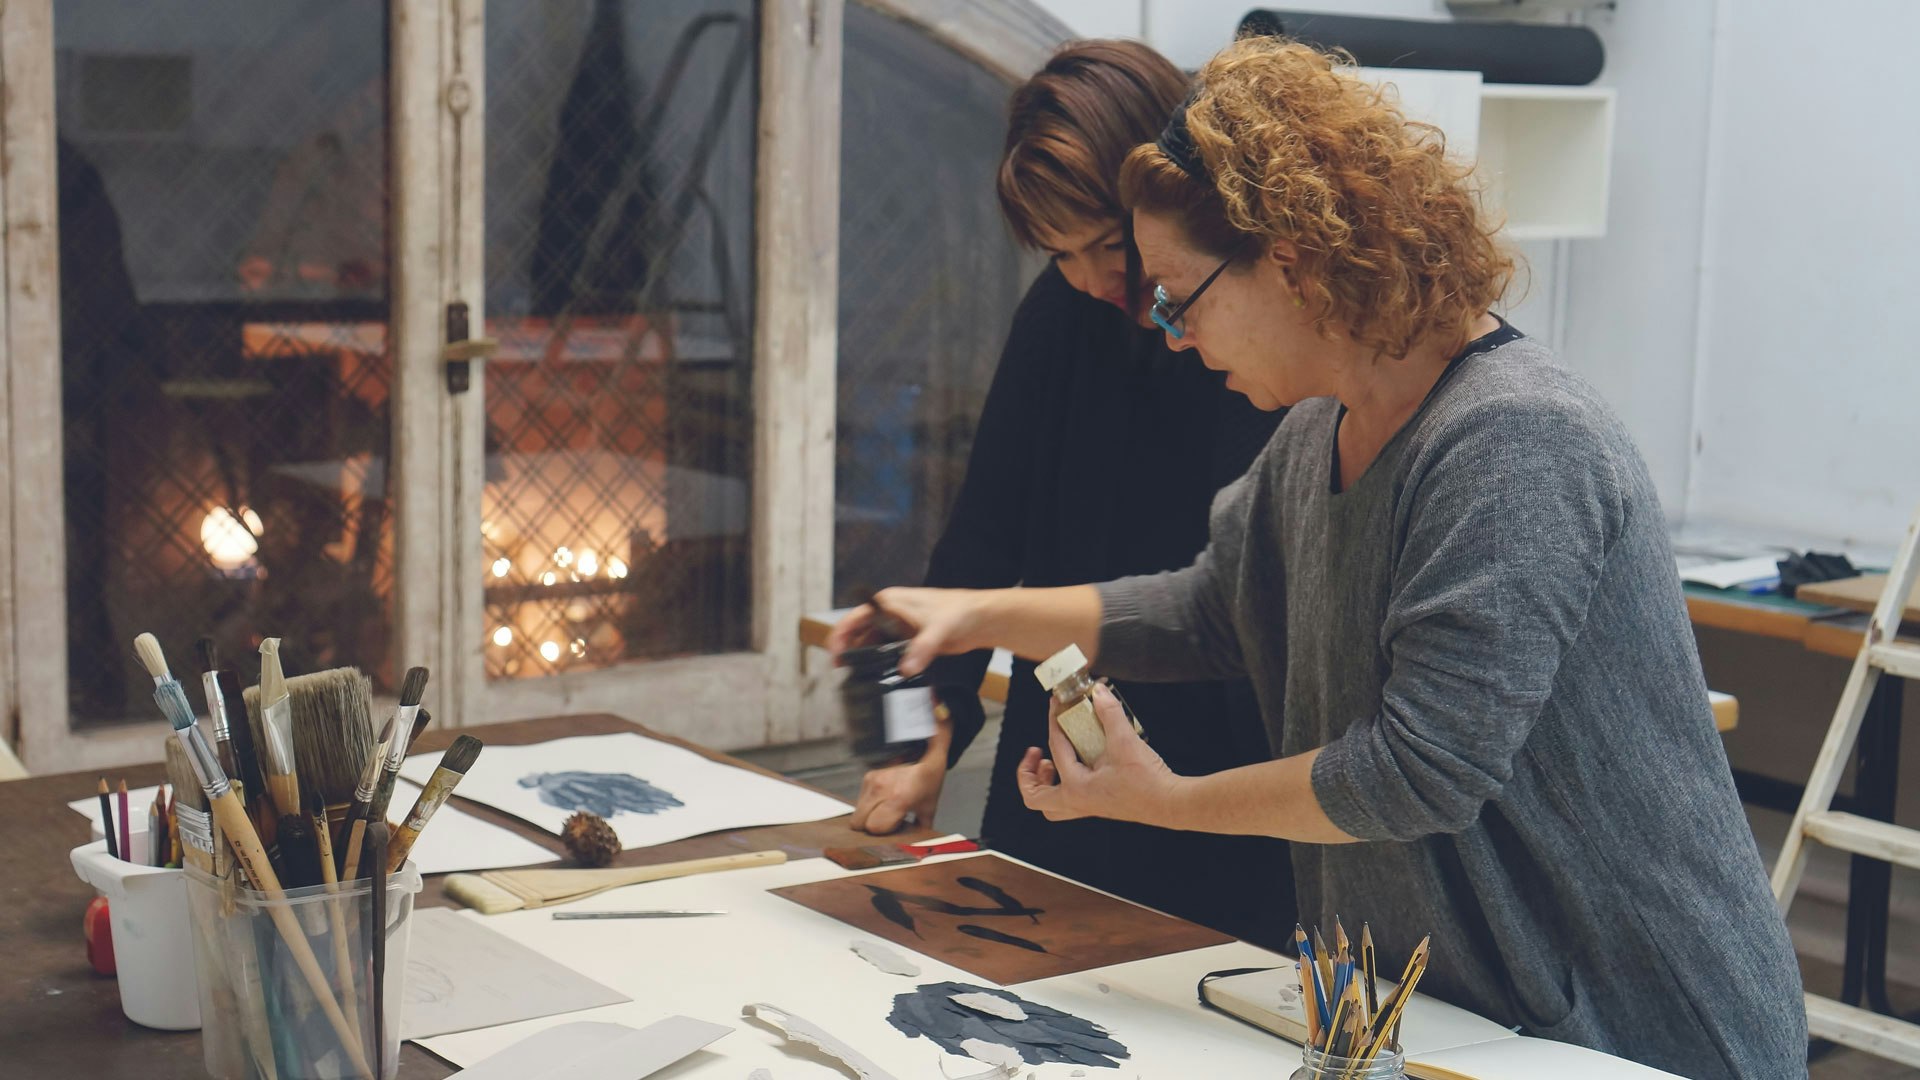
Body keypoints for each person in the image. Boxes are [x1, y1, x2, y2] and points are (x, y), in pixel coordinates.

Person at [833, 37, 1807, 1079]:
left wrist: (1164, 802)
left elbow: (1418, 769)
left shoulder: (1515, 439)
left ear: (1288, 255)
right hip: (1457, 1018)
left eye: (1177, 298)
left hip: (1630, 1028)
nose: (1166, 335)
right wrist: (972, 618)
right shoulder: (1316, 438)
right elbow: (1202, 612)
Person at [838, 40, 1296, 950]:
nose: (1094, 280)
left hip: (1224, 788)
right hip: (1059, 760)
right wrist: (939, 725)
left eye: (1107, 245)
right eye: (1059, 255)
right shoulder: (1063, 314)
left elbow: (1228, 603)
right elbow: (984, 536)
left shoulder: (1255, 340)